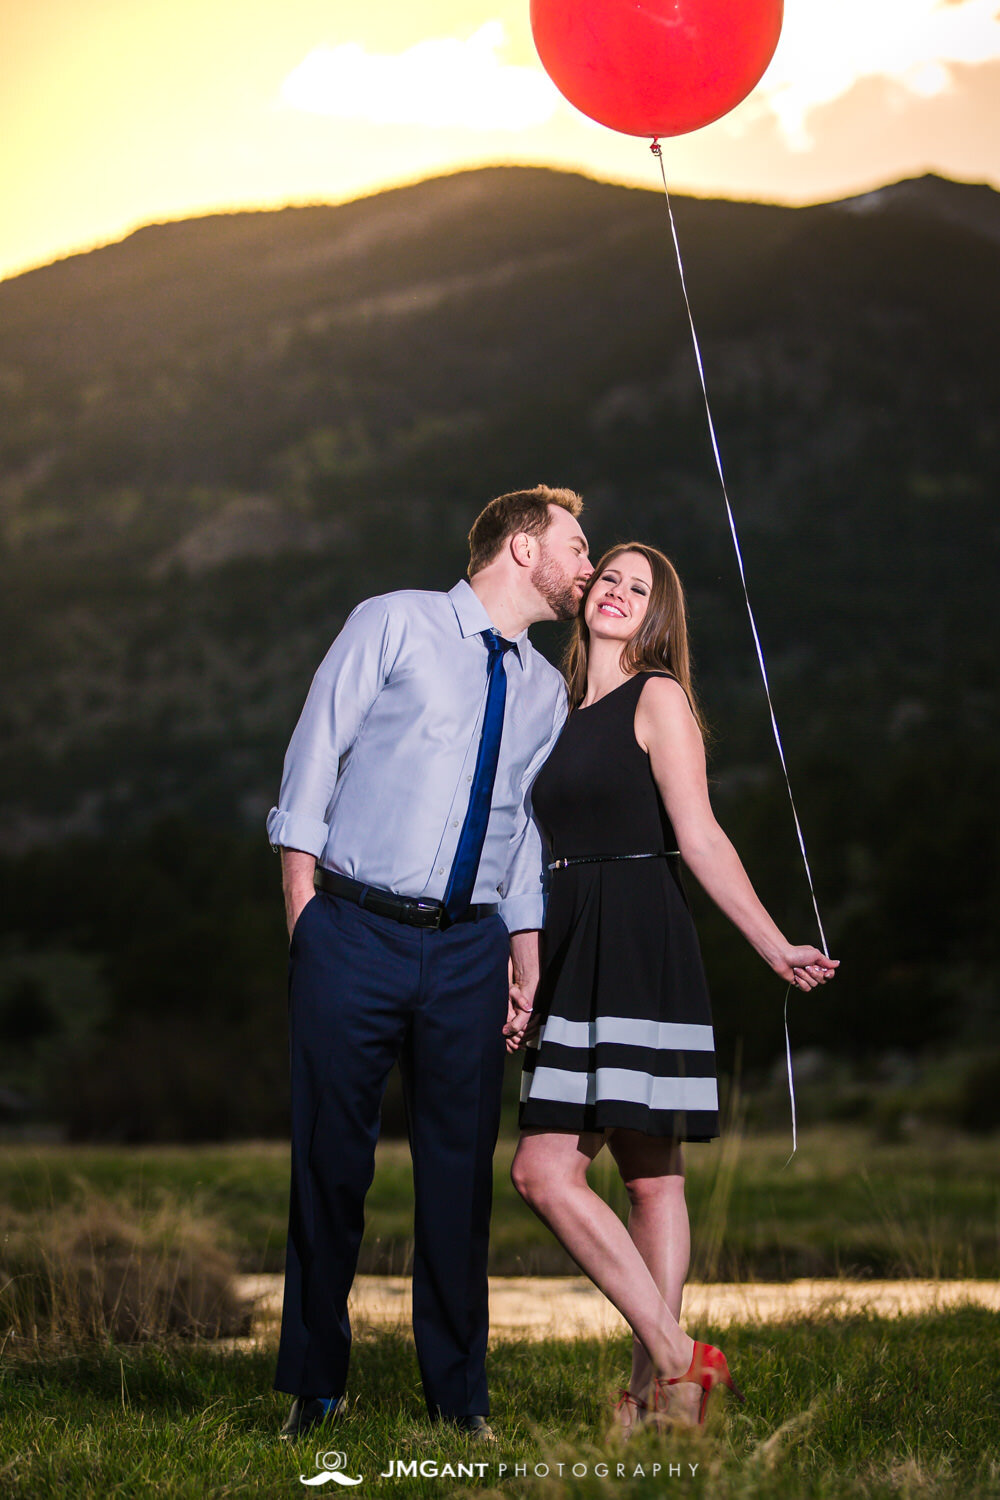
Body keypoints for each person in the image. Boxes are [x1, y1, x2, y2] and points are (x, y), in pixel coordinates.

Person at [266, 485, 593, 1441]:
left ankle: (459, 1399)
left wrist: (522, 954)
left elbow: (524, 833)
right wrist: (305, 919)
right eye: (577, 546)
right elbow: (313, 755)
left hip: (469, 952)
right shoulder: (395, 622)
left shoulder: (544, 690)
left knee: (459, 1181)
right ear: (523, 547)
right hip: (352, 932)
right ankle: (314, 1388)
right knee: (331, 1169)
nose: (586, 565)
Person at [508, 542, 838, 1429]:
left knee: (554, 1172)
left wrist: (772, 944)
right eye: (606, 578)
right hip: (573, 932)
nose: (616, 592)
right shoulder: (553, 703)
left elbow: (701, 837)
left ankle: (667, 1368)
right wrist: (522, 954)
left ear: (659, 615)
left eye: (637, 587)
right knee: (645, 1179)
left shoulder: (658, 699)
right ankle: (672, 1380)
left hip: (640, 935)